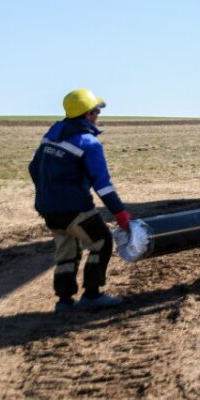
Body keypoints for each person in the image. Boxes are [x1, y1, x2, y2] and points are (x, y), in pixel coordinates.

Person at [29, 89, 130, 313]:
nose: (98, 115)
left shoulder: (52, 134)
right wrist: (120, 213)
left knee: (66, 250)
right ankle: (92, 295)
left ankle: (64, 301)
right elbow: (102, 184)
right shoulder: (88, 143)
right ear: (87, 115)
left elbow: (33, 168)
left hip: (49, 209)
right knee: (101, 241)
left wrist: (47, 192)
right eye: (96, 111)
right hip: (74, 208)